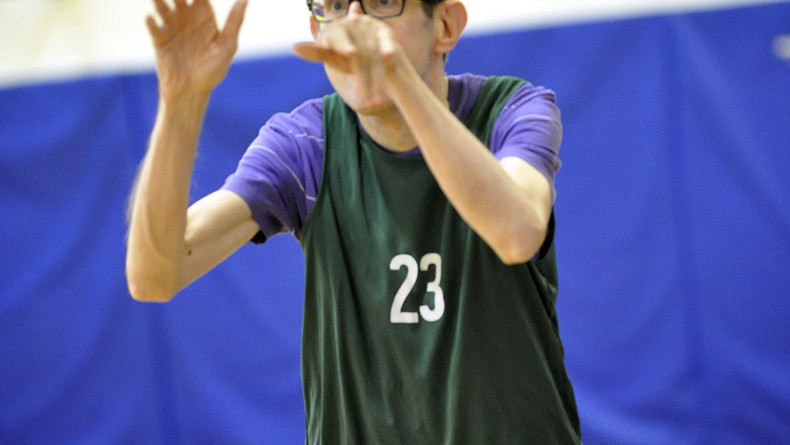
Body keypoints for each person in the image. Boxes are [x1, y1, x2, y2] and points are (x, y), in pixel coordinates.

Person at [126, 0, 581, 442]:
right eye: (337, 5)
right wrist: (180, 102)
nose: (355, 22)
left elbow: (517, 233)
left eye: (383, 2)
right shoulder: (306, 142)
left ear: (445, 24)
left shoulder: (512, 110)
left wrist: (399, 81)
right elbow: (155, 275)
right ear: (316, 31)